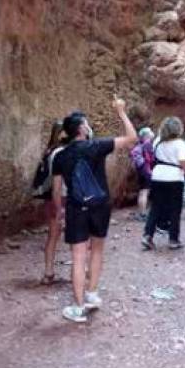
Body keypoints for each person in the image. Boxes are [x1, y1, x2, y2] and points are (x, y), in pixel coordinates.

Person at [51, 99, 137, 323]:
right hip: (100, 205)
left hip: (76, 207)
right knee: (97, 249)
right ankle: (92, 293)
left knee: (78, 257)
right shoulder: (96, 146)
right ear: (81, 129)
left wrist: (59, 212)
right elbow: (132, 138)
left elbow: (58, 189)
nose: (90, 127)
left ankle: (79, 308)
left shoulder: (60, 156)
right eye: (87, 124)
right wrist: (121, 112)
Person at [141, 117, 185, 251]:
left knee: (155, 207)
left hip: (158, 176)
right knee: (175, 209)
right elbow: (184, 162)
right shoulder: (179, 143)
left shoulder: (158, 141)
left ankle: (148, 235)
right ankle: (173, 239)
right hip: (174, 178)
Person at [42, 119, 69, 285]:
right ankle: (81, 272)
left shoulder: (49, 152)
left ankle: (48, 271)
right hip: (62, 197)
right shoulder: (62, 153)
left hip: (52, 197)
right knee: (75, 236)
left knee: (52, 236)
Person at [130, 127, 155, 221]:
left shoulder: (139, 145)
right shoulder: (147, 144)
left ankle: (141, 212)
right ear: (146, 135)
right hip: (146, 170)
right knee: (145, 192)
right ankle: (143, 214)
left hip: (140, 170)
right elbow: (151, 158)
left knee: (141, 192)